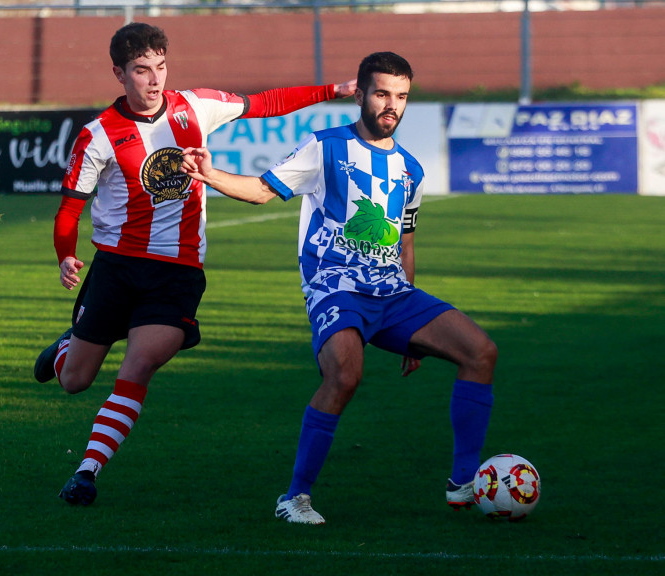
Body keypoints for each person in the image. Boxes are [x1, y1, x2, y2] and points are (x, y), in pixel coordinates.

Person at [32, 22, 357, 506]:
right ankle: (68, 347)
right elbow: (69, 210)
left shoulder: (194, 106)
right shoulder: (98, 134)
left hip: (178, 271)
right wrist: (65, 257)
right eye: (142, 70)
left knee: (140, 362)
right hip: (116, 266)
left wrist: (335, 90)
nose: (154, 79)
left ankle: (87, 470)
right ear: (119, 73)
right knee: (74, 380)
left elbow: (264, 103)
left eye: (160, 66)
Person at [180, 52, 497, 524]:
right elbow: (263, 190)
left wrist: (416, 331)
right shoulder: (324, 147)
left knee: (481, 352)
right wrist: (209, 173)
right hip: (335, 286)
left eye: (402, 96)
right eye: (383, 93)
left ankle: (463, 484)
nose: (392, 105)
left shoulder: (411, 169)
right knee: (345, 375)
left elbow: (404, 242)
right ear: (363, 94)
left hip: (393, 294)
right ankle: (295, 498)